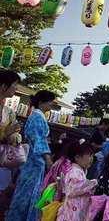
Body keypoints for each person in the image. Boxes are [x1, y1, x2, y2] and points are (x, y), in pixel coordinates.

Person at [7, 90, 56, 221]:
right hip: (35, 160)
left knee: (27, 190)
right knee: (28, 191)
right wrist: (48, 158)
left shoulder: (36, 116)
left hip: (33, 159)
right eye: (50, 102)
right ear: (41, 102)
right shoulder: (37, 117)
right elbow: (39, 139)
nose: (51, 105)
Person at [56, 141, 97, 221]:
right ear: (77, 157)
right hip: (72, 213)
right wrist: (94, 183)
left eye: (92, 155)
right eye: (89, 156)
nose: (91, 159)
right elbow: (76, 188)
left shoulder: (79, 171)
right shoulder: (75, 172)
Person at [0, 70, 21, 213]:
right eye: (14, 85)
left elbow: (17, 136)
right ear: (3, 86)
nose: (16, 89)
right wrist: (6, 133)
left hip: (3, 160)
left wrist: (15, 136)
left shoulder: (9, 112)